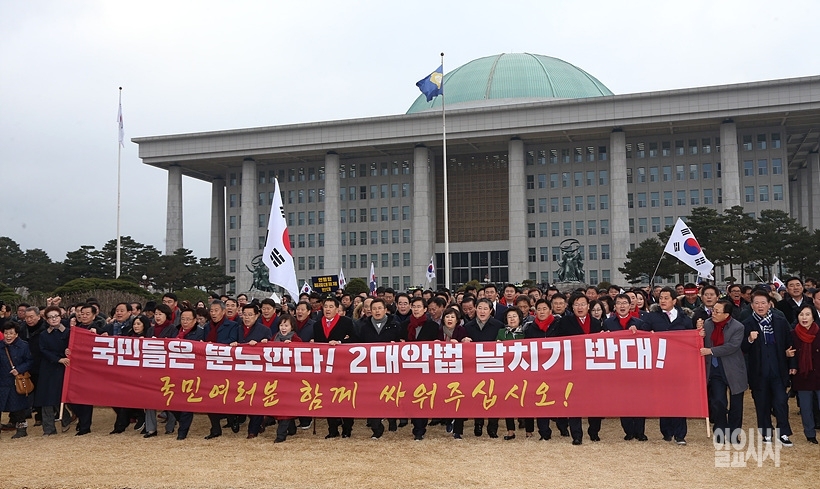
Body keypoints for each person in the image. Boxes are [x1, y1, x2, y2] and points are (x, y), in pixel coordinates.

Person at [741, 290, 796, 447]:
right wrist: (749, 339)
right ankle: (766, 432)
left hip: (778, 369)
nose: (760, 306)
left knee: (781, 402)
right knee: (762, 403)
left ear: (769, 304)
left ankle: (783, 432)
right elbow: (742, 348)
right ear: (752, 305)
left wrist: (792, 364)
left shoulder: (780, 321)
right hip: (758, 371)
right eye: (756, 303)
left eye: (763, 303)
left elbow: (790, 344)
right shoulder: (747, 324)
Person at [640, 287, 694, 445]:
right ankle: (666, 431)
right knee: (664, 397)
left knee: (679, 398)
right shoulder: (652, 317)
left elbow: (692, 339)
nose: (662, 300)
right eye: (661, 298)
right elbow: (642, 335)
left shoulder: (685, 318)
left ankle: (680, 434)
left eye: (666, 298)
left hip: (680, 365)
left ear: (674, 301)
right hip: (660, 364)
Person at [557, 294, 604, 445]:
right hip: (573, 368)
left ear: (588, 306)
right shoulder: (565, 322)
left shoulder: (596, 323)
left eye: (583, 304)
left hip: (592, 368)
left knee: (595, 401)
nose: (580, 307)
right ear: (572, 307)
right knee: (574, 401)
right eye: (576, 305)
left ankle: (594, 431)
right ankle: (576, 435)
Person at [699, 299, 747, 444]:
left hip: (733, 369)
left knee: (736, 405)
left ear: (726, 315)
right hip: (715, 369)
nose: (713, 313)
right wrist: (699, 333)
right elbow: (700, 342)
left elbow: (732, 346)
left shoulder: (738, 327)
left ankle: (734, 434)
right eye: (713, 310)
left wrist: (711, 351)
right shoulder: (708, 324)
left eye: (717, 311)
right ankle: (720, 431)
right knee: (718, 402)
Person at [603, 294, 647, 441]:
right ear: (614, 306)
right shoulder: (608, 323)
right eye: (619, 303)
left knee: (639, 399)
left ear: (630, 306)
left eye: (625, 303)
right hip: (617, 367)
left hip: (635, 366)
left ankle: (640, 432)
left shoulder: (639, 323)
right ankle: (628, 431)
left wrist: (638, 334)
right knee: (623, 399)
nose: (622, 306)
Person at [358, 298, 404, 439]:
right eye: (374, 309)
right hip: (371, 369)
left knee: (390, 396)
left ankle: (392, 419)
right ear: (369, 311)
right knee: (372, 399)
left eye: (380, 308)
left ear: (385, 310)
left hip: (390, 368)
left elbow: (403, 344)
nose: (377, 311)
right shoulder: (363, 326)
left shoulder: (395, 325)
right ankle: (376, 428)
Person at [312, 296, 357, 438]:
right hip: (326, 367)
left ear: (337, 309)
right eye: (326, 306)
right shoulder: (317, 325)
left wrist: (340, 342)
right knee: (328, 397)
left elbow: (355, 339)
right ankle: (332, 429)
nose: (328, 309)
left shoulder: (346, 322)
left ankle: (347, 428)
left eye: (331, 307)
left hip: (343, 366)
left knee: (346, 397)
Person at [463, 298, 503, 438]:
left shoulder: (498, 325)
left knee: (493, 395)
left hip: (493, 366)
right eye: (480, 308)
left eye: (485, 308)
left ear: (491, 311)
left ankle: (493, 426)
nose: (482, 311)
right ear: (475, 309)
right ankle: (478, 423)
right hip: (475, 367)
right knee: (478, 395)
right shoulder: (468, 326)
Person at [497, 307, 533, 440]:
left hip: (524, 371)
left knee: (526, 400)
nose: (512, 319)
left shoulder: (525, 332)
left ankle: (529, 431)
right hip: (507, 372)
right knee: (509, 400)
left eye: (514, 316)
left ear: (520, 318)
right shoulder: (501, 332)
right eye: (509, 317)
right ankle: (510, 431)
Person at [34, 306, 70, 436]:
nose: (54, 319)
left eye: (56, 316)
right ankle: (49, 429)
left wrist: (68, 352)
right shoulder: (43, 334)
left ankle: (66, 418)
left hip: (64, 368)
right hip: (48, 368)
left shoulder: (69, 332)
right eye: (50, 317)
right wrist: (58, 359)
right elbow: (43, 350)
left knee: (59, 396)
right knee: (46, 397)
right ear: (46, 320)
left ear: (61, 317)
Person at [790, 304, 820, 444]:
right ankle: (809, 433)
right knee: (806, 407)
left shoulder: (819, 332)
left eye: (807, 314)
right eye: (801, 314)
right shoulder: (793, 334)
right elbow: (790, 354)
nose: (804, 318)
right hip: (802, 375)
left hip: (818, 374)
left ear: (813, 317)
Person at [1, 322, 33, 439]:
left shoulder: (23, 346)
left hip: (17, 380)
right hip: (2, 380)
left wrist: (19, 369)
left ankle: (22, 428)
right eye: (6, 333)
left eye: (11, 333)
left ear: (16, 334)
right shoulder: (0, 346)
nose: (8, 336)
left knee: (18, 406)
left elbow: (30, 361)